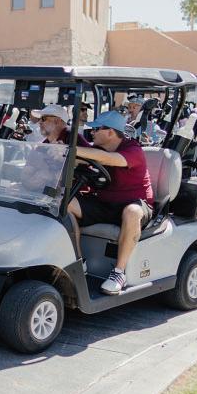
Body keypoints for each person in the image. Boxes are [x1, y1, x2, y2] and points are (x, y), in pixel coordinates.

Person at [66, 110, 154, 295]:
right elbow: (84, 158)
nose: (92, 133)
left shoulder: (133, 150)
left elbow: (110, 160)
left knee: (132, 212)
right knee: (66, 203)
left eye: (96, 129)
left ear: (110, 132)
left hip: (135, 204)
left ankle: (119, 273)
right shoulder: (101, 150)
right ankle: (78, 263)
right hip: (105, 204)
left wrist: (73, 149)